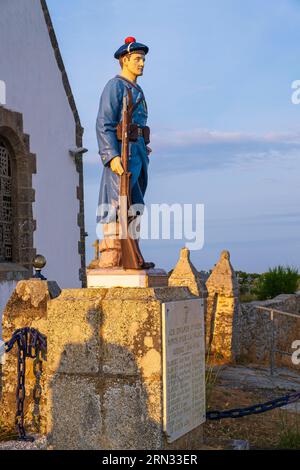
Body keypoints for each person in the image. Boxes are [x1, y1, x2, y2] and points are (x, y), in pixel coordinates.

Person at [96, 37, 154, 269]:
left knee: (135, 203)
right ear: (125, 60)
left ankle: (133, 253)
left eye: (143, 60)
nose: (141, 64)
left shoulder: (137, 90)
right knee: (115, 203)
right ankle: (112, 254)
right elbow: (104, 123)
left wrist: (142, 144)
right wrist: (111, 156)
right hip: (122, 152)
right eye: (137, 59)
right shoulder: (115, 86)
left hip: (137, 151)